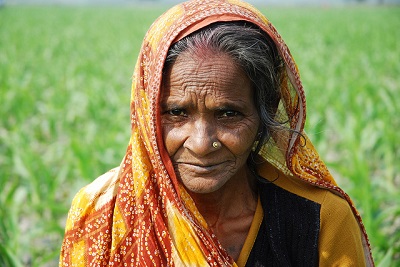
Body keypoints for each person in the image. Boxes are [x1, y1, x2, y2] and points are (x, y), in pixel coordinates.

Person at [59, 0, 374, 266]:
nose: (201, 144)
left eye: (228, 114)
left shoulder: (319, 220)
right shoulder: (103, 211)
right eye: (177, 112)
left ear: (264, 111)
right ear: (147, 111)